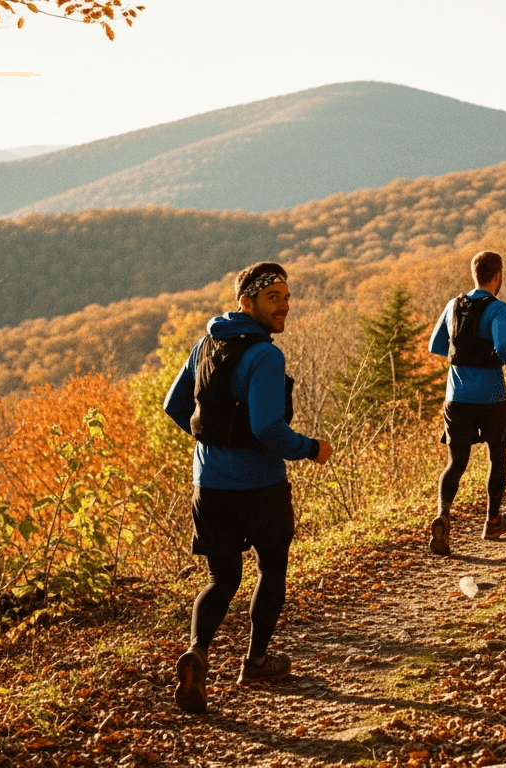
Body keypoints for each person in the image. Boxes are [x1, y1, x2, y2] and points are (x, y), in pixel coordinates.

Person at [162, 261, 334, 714]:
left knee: (222, 580)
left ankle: (198, 653)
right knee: (271, 569)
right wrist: (311, 448)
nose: (284, 305)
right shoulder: (265, 355)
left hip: (209, 485)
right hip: (260, 486)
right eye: (273, 297)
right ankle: (255, 662)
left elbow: (174, 405)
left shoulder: (206, 344)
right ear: (247, 303)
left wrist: (213, 444)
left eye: (287, 295)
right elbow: (268, 429)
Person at [426, 250, 506, 556]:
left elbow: (435, 346)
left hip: (455, 397)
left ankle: (443, 517)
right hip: (492, 398)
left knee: (456, 463)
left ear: (475, 274)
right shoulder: (499, 309)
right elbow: (502, 347)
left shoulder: (453, 305)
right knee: (496, 457)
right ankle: (492, 522)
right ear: (497, 276)